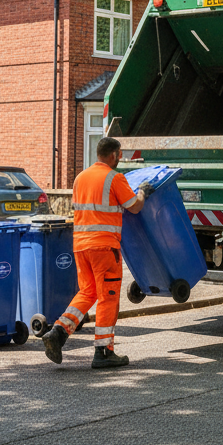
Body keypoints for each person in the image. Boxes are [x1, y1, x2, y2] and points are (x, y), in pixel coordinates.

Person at [42, 136, 152, 369]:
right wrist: (143, 192)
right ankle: (103, 351)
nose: (120, 159)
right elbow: (134, 206)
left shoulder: (80, 178)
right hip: (104, 247)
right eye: (119, 155)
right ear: (113, 155)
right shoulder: (114, 178)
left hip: (81, 245)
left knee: (88, 291)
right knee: (108, 296)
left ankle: (59, 332)